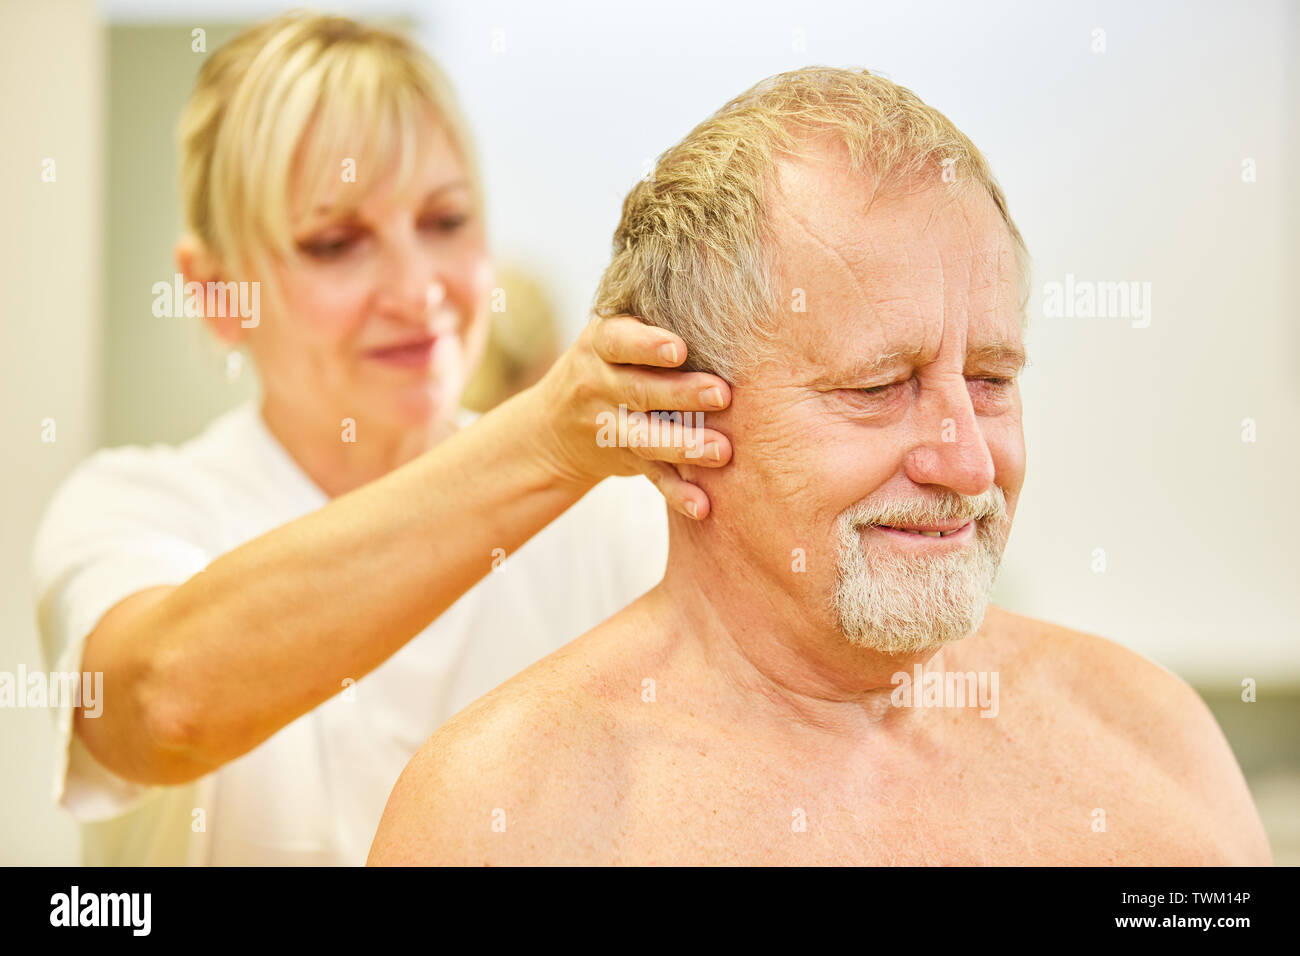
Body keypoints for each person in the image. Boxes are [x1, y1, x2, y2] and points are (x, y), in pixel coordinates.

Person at [368, 67, 1274, 866]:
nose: (966, 462)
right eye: (880, 386)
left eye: (992, 380)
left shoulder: (1153, 749)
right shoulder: (501, 821)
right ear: (673, 413)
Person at [30, 12, 734, 866]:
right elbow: (163, 706)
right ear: (216, 294)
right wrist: (546, 443)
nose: (416, 288)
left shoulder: (618, 524)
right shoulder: (135, 508)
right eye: (336, 243)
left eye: (444, 222)